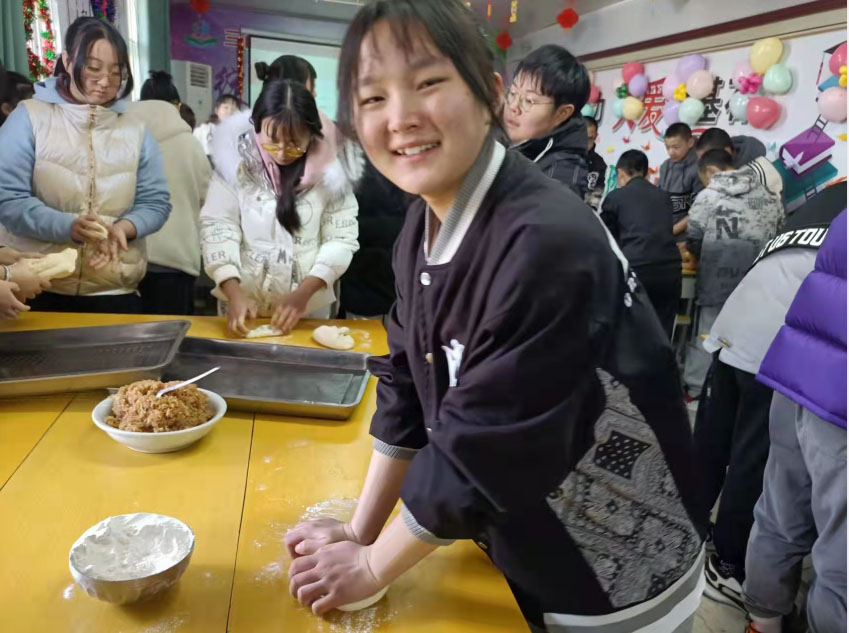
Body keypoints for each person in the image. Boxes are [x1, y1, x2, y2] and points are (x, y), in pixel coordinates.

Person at [285, 3, 706, 631]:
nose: (400, 117)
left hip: (609, 559)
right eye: (372, 97)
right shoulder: (422, 227)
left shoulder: (545, 243)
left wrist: (372, 568)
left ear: (489, 92)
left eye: (428, 82)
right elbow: (406, 383)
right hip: (513, 535)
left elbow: (484, 450)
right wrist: (358, 531)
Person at [693, 182, 845, 613]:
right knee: (756, 463)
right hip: (792, 344)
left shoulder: (829, 197)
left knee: (712, 441)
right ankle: (728, 565)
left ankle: (687, 531)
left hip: (740, 320)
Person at [0, 16, 171, 314]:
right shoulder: (28, 118)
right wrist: (69, 227)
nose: (105, 81)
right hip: (38, 287)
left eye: (116, 72)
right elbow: (8, 200)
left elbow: (156, 202)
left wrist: (126, 228)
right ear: (67, 60)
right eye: (93, 68)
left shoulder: (135, 130)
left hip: (115, 289)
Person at [743, 210, 846, 633]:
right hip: (840, 403)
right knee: (841, 555)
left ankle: (761, 624)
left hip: (800, 373)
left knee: (779, 515)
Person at [200, 78, 359, 336]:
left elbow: (341, 239)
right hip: (244, 308)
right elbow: (218, 226)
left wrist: (304, 293)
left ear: (312, 134)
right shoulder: (234, 167)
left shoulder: (331, 175)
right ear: (257, 127)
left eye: (296, 142)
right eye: (272, 140)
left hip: (306, 312)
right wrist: (233, 291)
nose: (283, 152)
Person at [258, 54, 407, 321]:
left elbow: (346, 228)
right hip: (357, 279)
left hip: (361, 279)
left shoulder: (335, 144)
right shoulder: (329, 143)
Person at [682, 150, 783, 398]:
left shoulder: (708, 196)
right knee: (748, 340)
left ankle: (697, 388)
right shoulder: (771, 198)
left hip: (716, 280)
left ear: (712, 172)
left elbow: (693, 238)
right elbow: (779, 235)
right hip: (758, 281)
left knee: (708, 334)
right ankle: (735, 393)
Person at [128, 71, 211, 315]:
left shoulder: (121, 135)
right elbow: (209, 201)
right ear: (177, 106)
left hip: (126, 258)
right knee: (172, 340)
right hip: (176, 259)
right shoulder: (190, 145)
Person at [600, 150, 680, 335]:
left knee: (629, 329)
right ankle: (660, 363)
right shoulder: (664, 197)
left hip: (638, 269)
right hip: (670, 270)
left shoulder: (616, 197)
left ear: (620, 173)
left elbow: (607, 237)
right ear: (646, 172)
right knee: (661, 330)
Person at [504, 44, 591, 198]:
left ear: (562, 114)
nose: (513, 106)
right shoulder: (517, 146)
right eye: (512, 93)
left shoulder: (561, 179)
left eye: (529, 101)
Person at [695, 128, 781, 201]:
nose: (705, 165)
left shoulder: (758, 172)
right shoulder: (714, 174)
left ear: (727, 151)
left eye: (708, 158)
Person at [659, 123, 701, 242]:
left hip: (688, 236)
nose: (671, 152)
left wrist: (672, 231)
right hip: (665, 232)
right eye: (667, 147)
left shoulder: (699, 168)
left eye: (676, 147)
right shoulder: (665, 166)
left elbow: (700, 210)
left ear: (690, 143)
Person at [584, 116, 607, 210]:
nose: (586, 143)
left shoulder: (599, 164)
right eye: (583, 138)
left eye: (590, 138)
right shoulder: (562, 156)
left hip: (581, 216)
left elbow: (596, 197)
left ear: (596, 136)